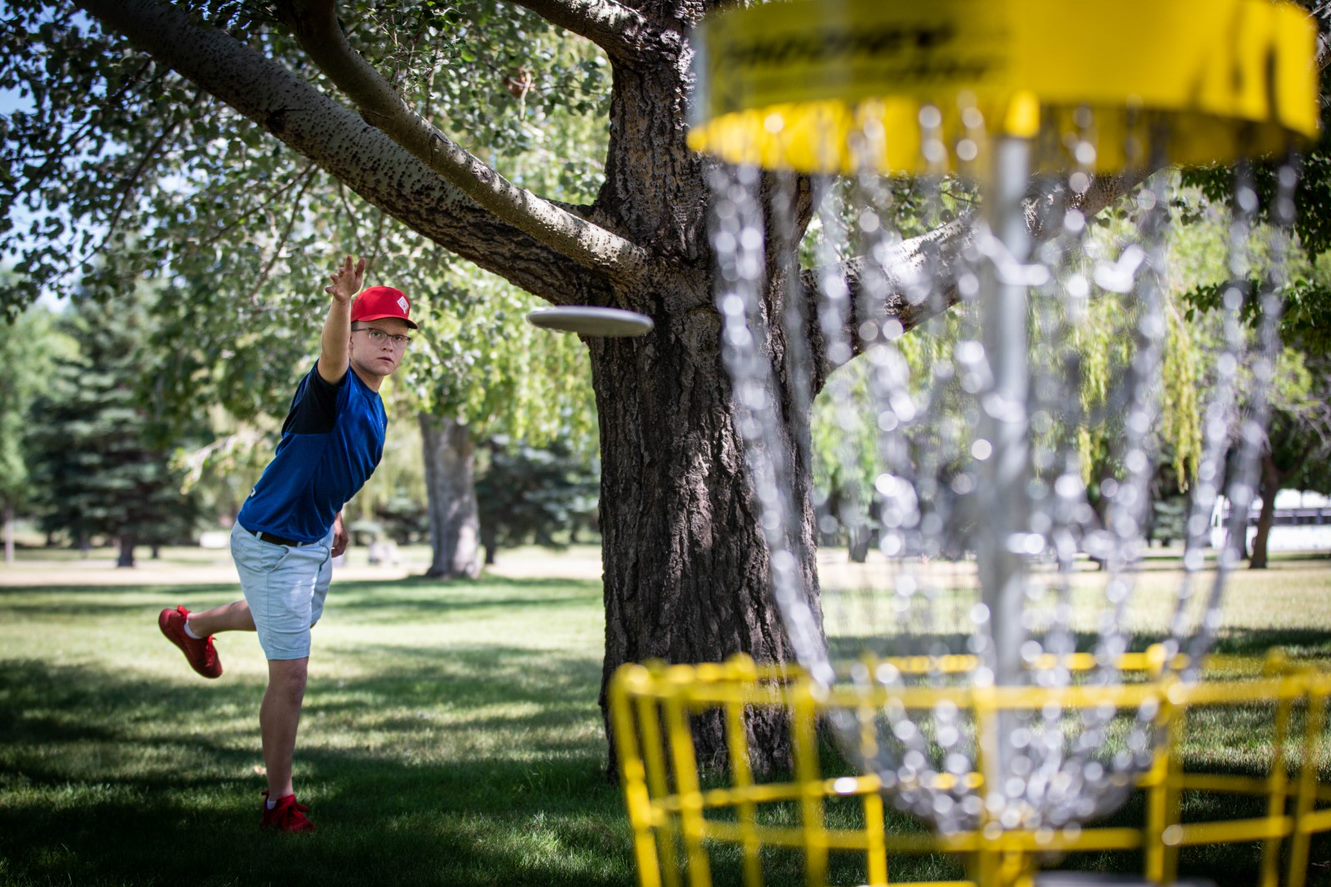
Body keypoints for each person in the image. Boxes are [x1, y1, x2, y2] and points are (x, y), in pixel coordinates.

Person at [158, 255, 417, 833]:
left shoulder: (374, 404)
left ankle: (191, 625)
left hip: (310, 537)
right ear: (352, 337)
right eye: (377, 334)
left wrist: (336, 513)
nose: (390, 347)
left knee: (284, 619)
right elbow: (329, 360)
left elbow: (333, 462)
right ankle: (280, 802)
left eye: (400, 339)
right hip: (273, 540)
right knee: (292, 673)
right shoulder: (330, 384)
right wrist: (342, 303)